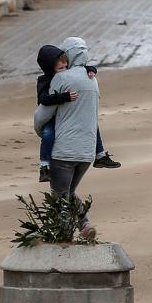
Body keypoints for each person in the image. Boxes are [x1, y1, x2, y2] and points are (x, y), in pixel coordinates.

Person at [34, 37, 102, 236]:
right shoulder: (92, 78)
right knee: (68, 193)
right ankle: (84, 226)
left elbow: (44, 114)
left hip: (64, 150)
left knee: (59, 195)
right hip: (87, 152)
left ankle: (65, 233)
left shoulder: (61, 79)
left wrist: (42, 132)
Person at [34, 45, 120, 183]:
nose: (64, 71)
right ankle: (44, 166)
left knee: (93, 125)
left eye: (66, 66)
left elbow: (82, 68)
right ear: (49, 67)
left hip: (65, 117)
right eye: (60, 68)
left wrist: (90, 69)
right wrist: (64, 97)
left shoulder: (65, 75)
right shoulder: (44, 80)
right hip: (52, 116)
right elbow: (43, 100)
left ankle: (100, 156)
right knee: (48, 134)